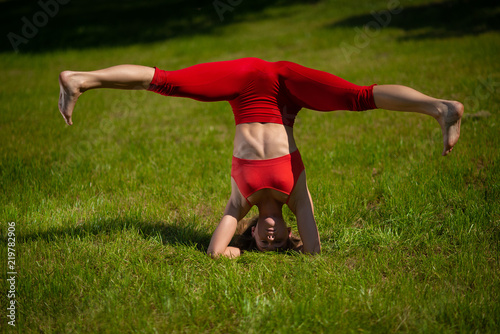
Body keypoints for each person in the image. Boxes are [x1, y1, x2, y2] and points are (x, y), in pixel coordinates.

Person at [58, 57, 463, 258]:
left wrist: (232, 252)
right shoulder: (297, 196)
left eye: (262, 242)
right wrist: (303, 249)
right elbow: (315, 252)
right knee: (357, 97)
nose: (272, 237)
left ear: (250, 233)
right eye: (280, 241)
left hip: (245, 87)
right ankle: (440, 108)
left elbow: (216, 252)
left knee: (169, 83)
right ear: (289, 231)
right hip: (287, 89)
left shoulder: (241, 199)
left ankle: (83, 80)